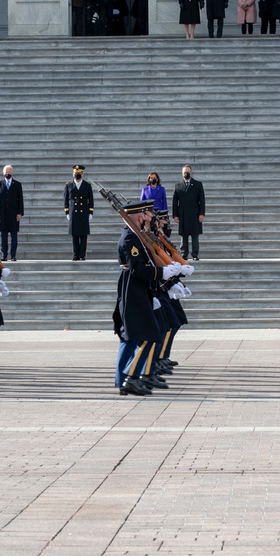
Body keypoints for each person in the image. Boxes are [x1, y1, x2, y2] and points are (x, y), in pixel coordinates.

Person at [114, 200, 170, 396]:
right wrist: (160, 274)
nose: (150, 217)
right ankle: (131, 377)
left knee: (133, 338)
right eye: (146, 214)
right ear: (139, 216)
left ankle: (126, 380)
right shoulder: (130, 238)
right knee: (148, 335)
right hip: (133, 291)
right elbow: (137, 269)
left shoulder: (137, 236)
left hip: (139, 290)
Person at [172, 164, 205, 260]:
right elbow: (175, 201)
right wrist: (175, 215)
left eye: (188, 172)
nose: (186, 174)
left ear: (191, 173)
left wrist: (201, 213)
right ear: (182, 174)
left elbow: (202, 200)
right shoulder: (178, 185)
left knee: (195, 235)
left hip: (194, 213)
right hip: (183, 214)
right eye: (184, 172)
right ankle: (184, 254)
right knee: (184, 235)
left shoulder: (198, 184)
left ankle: (195, 254)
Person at [0, 165, 24, 261]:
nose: (8, 173)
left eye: (10, 171)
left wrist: (20, 213)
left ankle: (13, 255)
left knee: (14, 236)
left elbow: (20, 200)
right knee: (4, 237)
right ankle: (4, 255)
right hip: (3, 214)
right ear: (3, 173)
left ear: (12, 173)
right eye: (6, 171)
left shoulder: (17, 184)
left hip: (14, 214)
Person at [64, 165, 94, 261]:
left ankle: (82, 255)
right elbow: (65, 200)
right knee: (75, 235)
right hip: (73, 212)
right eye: (76, 173)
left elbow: (91, 200)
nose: (77, 175)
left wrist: (90, 212)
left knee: (83, 235)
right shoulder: (68, 185)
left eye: (79, 173)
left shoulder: (87, 185)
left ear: (82, 174)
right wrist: (67, 212)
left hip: (84, 212)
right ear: (73, 174)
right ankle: (76, 254)